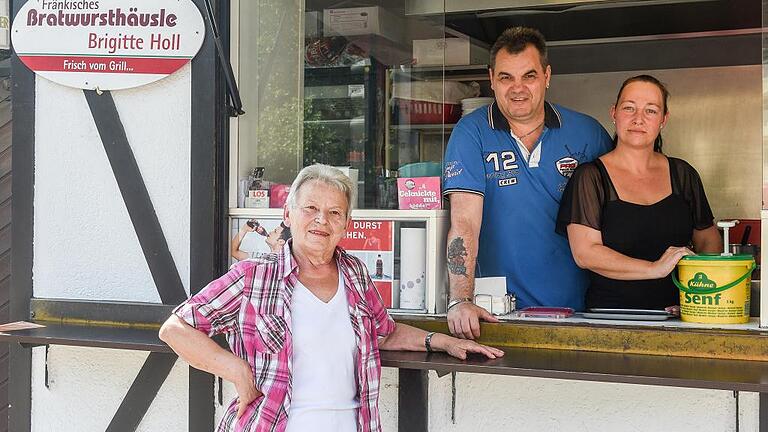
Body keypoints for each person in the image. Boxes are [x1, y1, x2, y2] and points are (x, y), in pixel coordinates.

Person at [160, 164, 504, 432]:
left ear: (346, 224)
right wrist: (234, 369)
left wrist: (441, 341)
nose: (321, 220)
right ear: (288, 215)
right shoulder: (253, 276)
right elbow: (175, 328)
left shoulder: (354, 273)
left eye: (334, 212)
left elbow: (384, 332)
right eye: (310, 208)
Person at [443, 26, 613, 339]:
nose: (517, 88)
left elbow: (621, 218)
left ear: (547, 76)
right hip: (498, 316)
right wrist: (460, 300)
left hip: (582, 312)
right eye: (506, 77)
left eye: (529, 76)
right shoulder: (471, 133)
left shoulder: (588, 134)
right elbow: (464, 221)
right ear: (492, 78)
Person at [556, 75, 721, 310]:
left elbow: (708, 242)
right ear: (614, 113)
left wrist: (695, 296)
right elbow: (586, 254)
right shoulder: (590, 177)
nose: (638, 119)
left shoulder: (683, 175)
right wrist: (654, 269)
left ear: (664, 119)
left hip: (679, 318)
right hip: (612, 318)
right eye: (629, 108)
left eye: (651, 111)